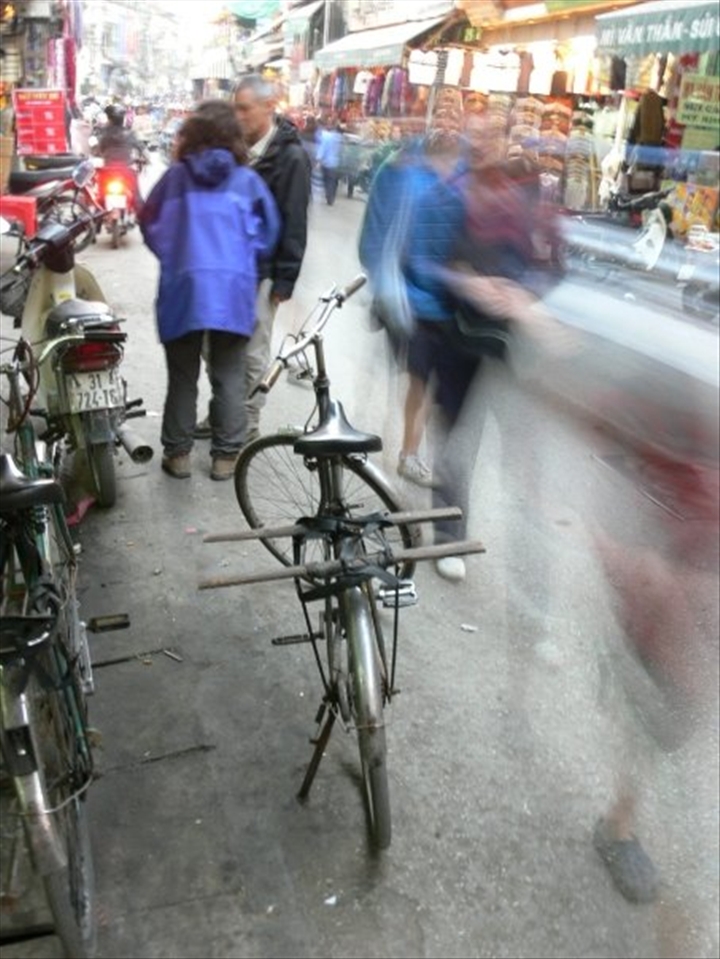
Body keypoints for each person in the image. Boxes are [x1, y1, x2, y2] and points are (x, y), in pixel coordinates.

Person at [139, 100, 280, 481]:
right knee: (229, 375)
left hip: (183, 289)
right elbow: (268, 235)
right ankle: (225, 458)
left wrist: (176, 255)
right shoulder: (247, 180)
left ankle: (179, 455)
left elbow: (149, 223)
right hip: (232, 292)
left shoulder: (176, 177)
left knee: (182, 376)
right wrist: (241, 260)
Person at [194, 75, 312, 443]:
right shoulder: (232, 148)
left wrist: (285, 280)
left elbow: (295, 220)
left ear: (269, 107)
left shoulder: (290, 157)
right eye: (235, 109)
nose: (239, 116)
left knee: (250, 354)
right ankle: (221, 413)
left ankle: (245, 422)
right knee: (212, 347)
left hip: (261, 274)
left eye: (245, 108)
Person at [315, 115, 343, 206]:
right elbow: (341, 150)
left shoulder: (325, 136)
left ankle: (329, 196)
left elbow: (322, 148)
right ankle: (331, 196)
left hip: (326, 163)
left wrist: (318, 160)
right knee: (333, 181)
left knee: (327, 180)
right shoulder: (339, 137)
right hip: (336, 163)